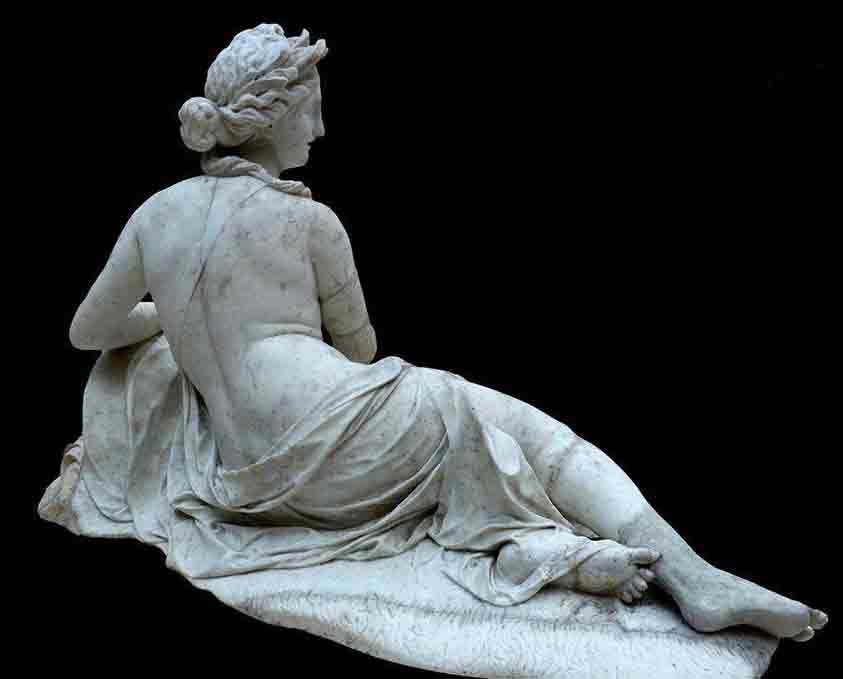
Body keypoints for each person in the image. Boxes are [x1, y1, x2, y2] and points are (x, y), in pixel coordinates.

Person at [67, 23, 826, 640]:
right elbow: (358, 350)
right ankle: (690, 577)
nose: (321, 128)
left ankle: (535, 545)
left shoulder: (154, 215)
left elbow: (89, 331)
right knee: (526, 430)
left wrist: (182, 321)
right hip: (341, 427)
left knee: (479, 447)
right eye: (309, 112)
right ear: (270, 116)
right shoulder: (308, 220)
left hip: (246, 477)